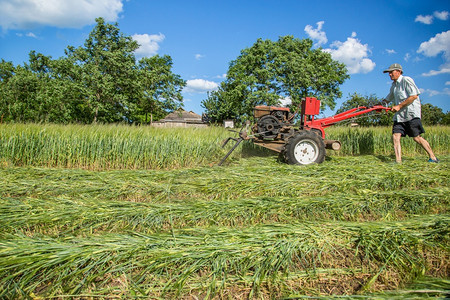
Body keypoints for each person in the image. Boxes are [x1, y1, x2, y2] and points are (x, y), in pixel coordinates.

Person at [383, 63, 439, 164]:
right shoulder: (394, 86)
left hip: (410, 114)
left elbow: (413, 96)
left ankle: (433, 157)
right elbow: (388, 98)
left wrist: (399, 106)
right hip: (399, 116)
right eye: (389, 73)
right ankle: (398, 161)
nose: (389, 74)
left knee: (416, 138)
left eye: (391, 72)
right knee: (395, 136)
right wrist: (379, 105)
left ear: (399, 72)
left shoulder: (406, 80)